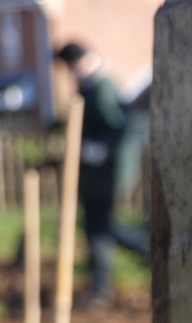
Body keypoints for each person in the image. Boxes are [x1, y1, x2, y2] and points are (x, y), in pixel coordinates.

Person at [56, 43, 148, 303]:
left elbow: (118, 126)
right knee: (96, 226)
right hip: (96, 174)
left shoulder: (102, 88)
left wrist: (95, 150)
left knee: (99, 225)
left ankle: (143, 249)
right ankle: (101, 284)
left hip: (107, 172)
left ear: (81, 62)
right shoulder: (88, 88)